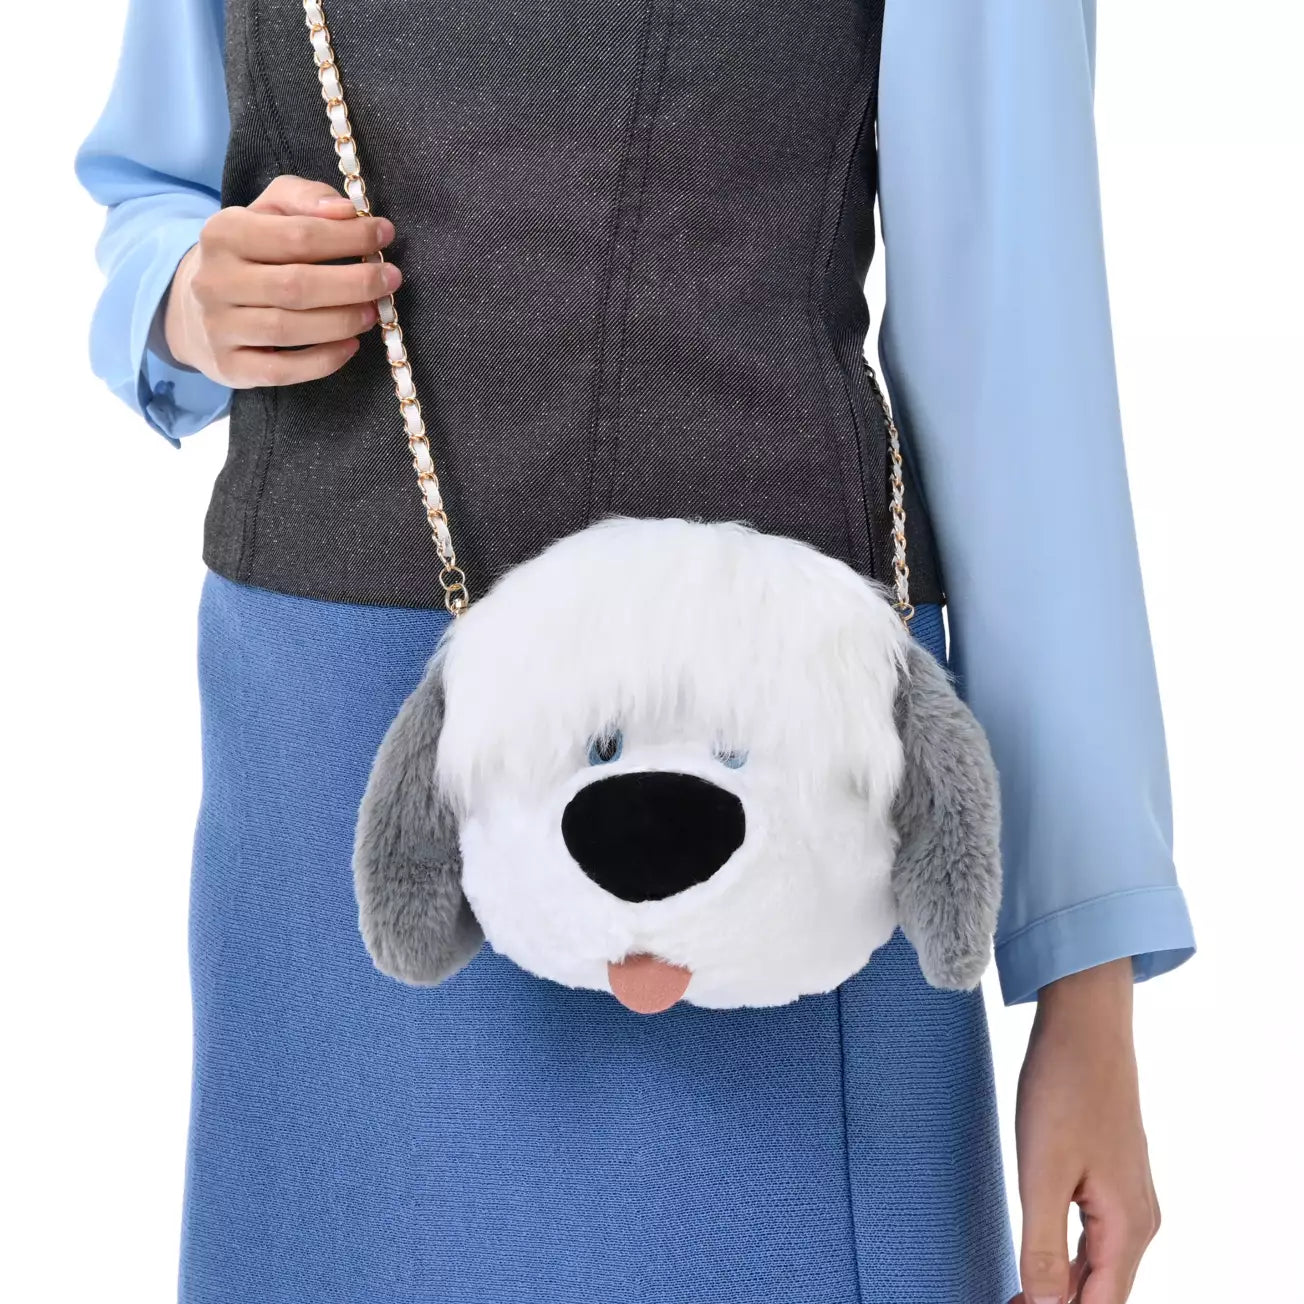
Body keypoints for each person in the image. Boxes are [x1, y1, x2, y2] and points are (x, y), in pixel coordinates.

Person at [74, 1, 1195, 1300]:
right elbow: (154, 190)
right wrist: (185, 294)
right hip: (331, 743)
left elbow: (1012, 335)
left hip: (765, 743)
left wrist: (1087, 994)